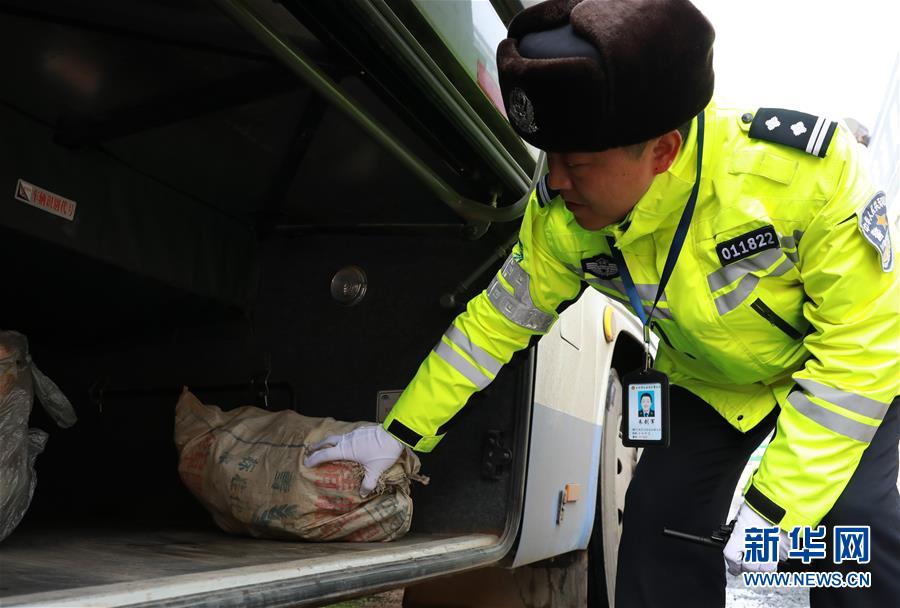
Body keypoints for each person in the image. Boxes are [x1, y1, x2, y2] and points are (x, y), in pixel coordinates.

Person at [304, 0, 899, 606]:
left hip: (833, 375)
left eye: (578, 163)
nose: (557, 182)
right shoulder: (563, 219)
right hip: (711, 381)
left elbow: (861, 352)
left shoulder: (806, 178)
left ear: (662, 152)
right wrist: (399, 434)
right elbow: (491, 328)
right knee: (657, 522)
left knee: (853, 535)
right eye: (550, 158)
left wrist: (776, 511)